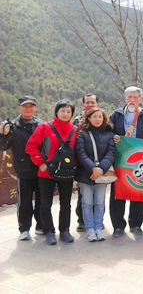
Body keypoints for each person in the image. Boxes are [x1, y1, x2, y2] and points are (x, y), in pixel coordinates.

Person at [26, 100, 79, 245]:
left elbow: (78, 152)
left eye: (69, 111)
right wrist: (40, 163)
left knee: (66, 203)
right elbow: (31, 146)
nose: (65, 114)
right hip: (46, 172)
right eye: (63, 110)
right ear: (57, 111)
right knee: (45, 203)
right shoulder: (45, 127)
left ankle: (64, 231)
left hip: (66, 172)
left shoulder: (75, 130)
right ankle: (49, 231)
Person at [110, 86, 143, 237]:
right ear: (125, 98)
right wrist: (114, 138)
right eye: (129, 97)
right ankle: (118, 226)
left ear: (140, 99)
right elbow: (108, 133)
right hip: (120, 159)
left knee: (138, 191)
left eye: (135, 97)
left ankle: (135, 224)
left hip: (139, 160)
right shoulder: (116, 115)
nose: (132, 100)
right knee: (117, 193)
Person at [0, 96, 43, 241]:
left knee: (42, 199)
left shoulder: (41, 124)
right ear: (19, 107)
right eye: (25, 106)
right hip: (23, 169)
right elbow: (3, 147)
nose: (28, 108)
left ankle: (41, 226)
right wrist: (3, 135)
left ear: (35, 108)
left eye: (31, 106)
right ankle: (24, 229)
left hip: (41, 168)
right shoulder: (12, 126)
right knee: (24, 201)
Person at [75, 108, 115, 242]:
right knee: (86, 203)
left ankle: (98, 227)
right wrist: (92, 168)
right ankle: (90, 229)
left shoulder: (109, 134)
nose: (97, 119)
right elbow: (80, 153)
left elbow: (111, 154)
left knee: (99, 203)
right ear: (89, 118)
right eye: (94, 116)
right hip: (85, 174)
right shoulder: (82, 134)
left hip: (101, 174)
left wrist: (100, 169)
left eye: (100, 117)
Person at [73, 93, 100, 232]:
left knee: (98, 196)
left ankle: (97, 221)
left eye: (92, 102)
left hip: (99, 165)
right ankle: (82, 221)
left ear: (97, 105)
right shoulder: (77, 121)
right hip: (82, 164)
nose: (90, 105)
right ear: (83, 104)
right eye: (87, 102)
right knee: (83, 195)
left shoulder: (102, 120)